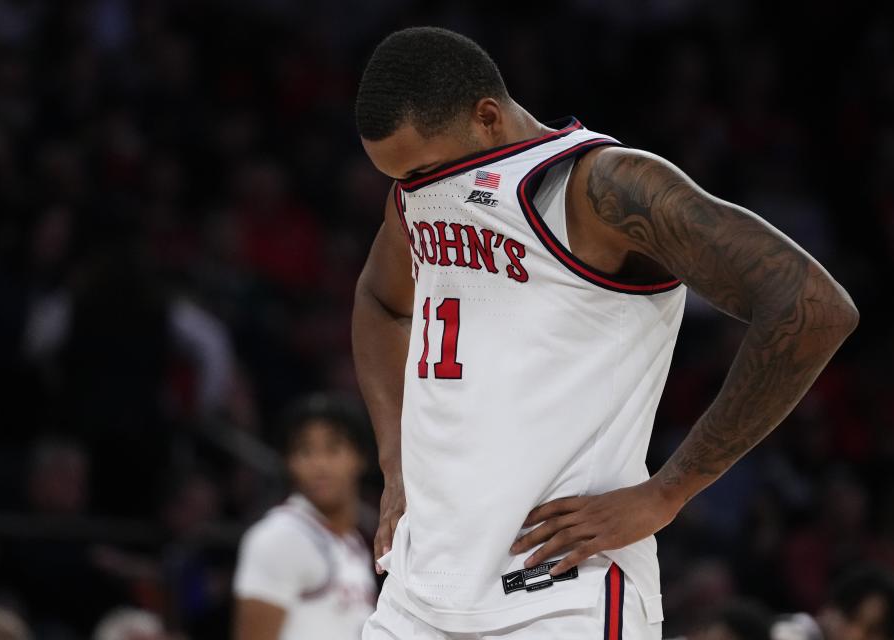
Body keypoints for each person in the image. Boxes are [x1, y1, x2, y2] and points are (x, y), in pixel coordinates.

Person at [351, 26, 859, 639]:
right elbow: (380, 301)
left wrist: (666, 493)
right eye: (396, 175)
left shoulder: (602, 185)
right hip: (416, 592)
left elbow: (811, 305)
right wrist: (394, 461)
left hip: (558, 596)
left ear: (486, 118)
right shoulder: (416, 195)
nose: (411, 187)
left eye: (420, 167)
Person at [233, 394, 377, 640]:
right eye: (305, 451)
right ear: (289, 462)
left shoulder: (353, 544)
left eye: (333, 449)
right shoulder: (278, 536)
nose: (319, 464)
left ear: (360, 457)